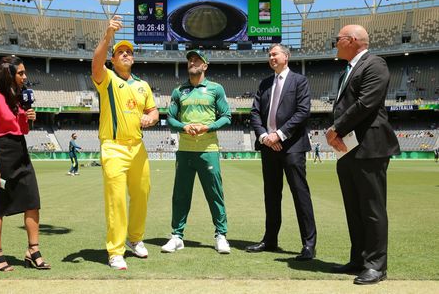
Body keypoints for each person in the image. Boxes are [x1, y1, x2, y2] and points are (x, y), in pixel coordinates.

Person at [326, 25, 400, 285]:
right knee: (354, 208)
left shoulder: (374, 64)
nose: (335, 43)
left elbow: (366, 103)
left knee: (371, 208)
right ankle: (359, 259)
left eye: (338, 39)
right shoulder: (348, 69)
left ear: (353, 40)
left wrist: (336, 128)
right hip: (348, 149)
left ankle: (376, 266)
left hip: (370, 147)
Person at [91, 15, 159, 270]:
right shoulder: (107, 78)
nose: (126, 54)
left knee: (141, 195)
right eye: (121, 52)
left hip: (138, 147)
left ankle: (135, 239)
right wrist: (108, 36)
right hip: (114, 146)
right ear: (113, 59)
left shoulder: (143, 85)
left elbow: (153, 111)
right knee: (117, 200)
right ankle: (115, 250)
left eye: (129, 52)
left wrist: (151, 118)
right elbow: (95, 65)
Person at [247, 43, 317, 261]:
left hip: (292, 148)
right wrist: (265, 137)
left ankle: (308, 245)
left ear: (286, 57)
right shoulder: (265, 83)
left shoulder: (299, 81)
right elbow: (255, 113)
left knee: (300, 194)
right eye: (269, 55)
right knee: (271, 195)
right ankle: (270, 240)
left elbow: (303, 112)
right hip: (268, 147)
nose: (271, 57)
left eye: (274, 54)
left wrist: (279, 134)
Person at [0, 56, 50, 272]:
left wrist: (29, 118)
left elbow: (24, 131)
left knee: (32, 201)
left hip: (21, 152)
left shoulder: (19, 99)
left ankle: (33, 251)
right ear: (9, 75)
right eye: (20, 73)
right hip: (1, 155)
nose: (25, 77)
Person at [161, 50, 232, 254]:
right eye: (190, 60)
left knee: (214, 193)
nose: (192, 62)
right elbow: (170, 118)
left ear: (205, 66)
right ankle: (177, 236)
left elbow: (227, 116)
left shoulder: (215, 89)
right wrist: (183, 127)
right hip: (184, 150)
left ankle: (221, 235)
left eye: (197, 60)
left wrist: (206, 127)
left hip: (208, 150)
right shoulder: (179, 91)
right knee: (180, 195)